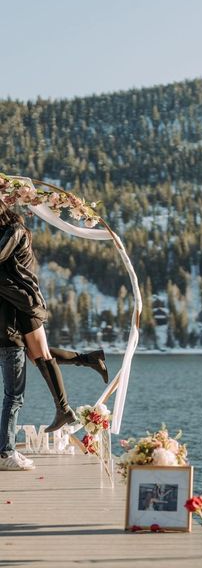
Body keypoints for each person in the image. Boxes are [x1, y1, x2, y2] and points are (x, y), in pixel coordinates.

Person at [0, 200, 109, 434]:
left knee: (42, 356)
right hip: (17, 304)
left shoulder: (16, 231)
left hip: (26, 302)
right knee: (36, 355)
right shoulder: (8, 232)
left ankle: (64, 409)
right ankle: (89, 360)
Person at [0, 297, 35, 470]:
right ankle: (6, 453)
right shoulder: (11, 277)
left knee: (11, 399)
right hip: (11, 343)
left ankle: (6, 449)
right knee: (13, 399)